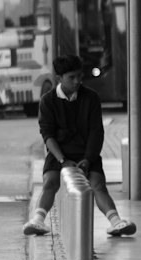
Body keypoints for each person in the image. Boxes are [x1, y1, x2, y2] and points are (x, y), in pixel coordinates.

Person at [23, 53, 135, 238]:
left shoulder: (91, 98)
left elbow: (96, 132)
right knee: (50, 182)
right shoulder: (47, 101)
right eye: (71, 78)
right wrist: (63, 160)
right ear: (59, 78)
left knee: (98, 184)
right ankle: (38, 221)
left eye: (79, 77)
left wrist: (88, 160)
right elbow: (48, 135)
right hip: (59, 153)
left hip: (86, 152)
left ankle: (116, 222)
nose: (77, 82)